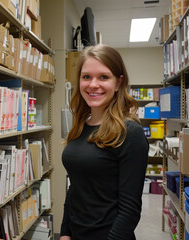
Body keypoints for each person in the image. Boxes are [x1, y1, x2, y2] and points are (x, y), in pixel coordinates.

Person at [61, 44, 149, 240]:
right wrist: (65, 232)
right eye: (86, 77)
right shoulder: (80, 126)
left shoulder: (130, 133)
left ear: (118, 83)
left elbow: (130, 209)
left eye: (103, 77)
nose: (93, 84)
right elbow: (76, 186)